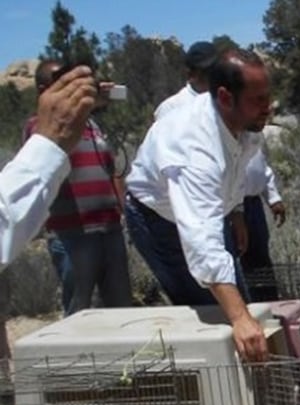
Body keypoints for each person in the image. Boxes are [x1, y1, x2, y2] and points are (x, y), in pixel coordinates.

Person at [124, 49, 271, 362]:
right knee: (216, 313)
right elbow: (200, 241)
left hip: (211, 213)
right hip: (158, 220)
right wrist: (240, 319)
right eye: (258, 99)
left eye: (267, 97)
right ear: (225, 97)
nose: (267, 108)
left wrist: (235, 212)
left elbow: (232, 173)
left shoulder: (244, 123)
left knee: (235, 298)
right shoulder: (193, 147)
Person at [25, 60, 132, 316]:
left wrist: (122, 210)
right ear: (43, 90)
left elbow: (111, 168)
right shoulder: (41, 128)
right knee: (78, 308)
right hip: (72, 233)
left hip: (109, 228)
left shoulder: (91, 125)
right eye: (60, 81)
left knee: (122, 308)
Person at [1, 66, 98, 266]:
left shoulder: (88, 124)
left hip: (102, 223)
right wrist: (50, 141)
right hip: (70, 229)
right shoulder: (39, 127)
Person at [241, 143, 286, 301]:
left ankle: (269, 305)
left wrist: (273, 198)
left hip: (254, 204)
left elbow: (262, 168)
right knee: (238, 261)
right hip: (230, 207)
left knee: (261, 260)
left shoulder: (249, 136)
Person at [154, 41, 216, 120]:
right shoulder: (170, 108)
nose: (215, 75)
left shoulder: (223, 102)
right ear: (190, 75)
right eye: (208, 72)